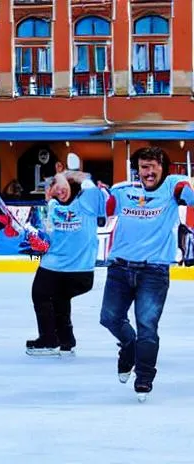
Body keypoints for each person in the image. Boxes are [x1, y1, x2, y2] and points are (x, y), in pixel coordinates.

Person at [99, 146, 194, 401]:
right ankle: (129, 347)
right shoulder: (123, 190)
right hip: (120, 267)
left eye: (154, 166)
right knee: (109, 318)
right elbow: (105, 209)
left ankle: (143, 377)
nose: (149, 172)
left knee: (147, 327)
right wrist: (95, 193)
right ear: (137, 169)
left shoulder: (172, 186)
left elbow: (187, 193)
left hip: (154, 271)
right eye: (144, 167)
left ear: (163, 168)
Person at [26, 169, 107, 356]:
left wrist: (68, 175)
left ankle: (49, 339)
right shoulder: (52, 205)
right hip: (57, 266)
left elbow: (88, 182)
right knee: (59, 298)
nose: (60, 192)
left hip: (72, 270)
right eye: (56, 189)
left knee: (42, 295)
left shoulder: (86, 202)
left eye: (63, 188)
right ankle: (65, 339)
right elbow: (47, 235)